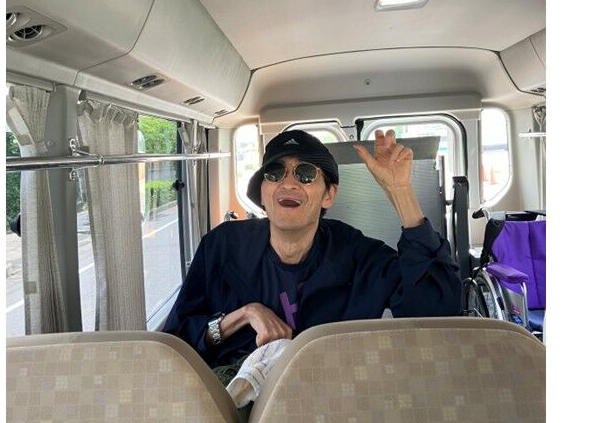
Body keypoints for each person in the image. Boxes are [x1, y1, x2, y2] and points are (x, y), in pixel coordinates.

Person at [162, 129, 462, 376]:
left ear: (328, 195)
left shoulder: (357, 254)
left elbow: (437, 312)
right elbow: (179, 337)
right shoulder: (222, 246)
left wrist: (401, 192)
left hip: (333, 394)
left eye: (305, 174)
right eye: (275, 173)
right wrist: (244, 315)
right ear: (263, 193)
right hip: (237, 395)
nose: (288, 182)